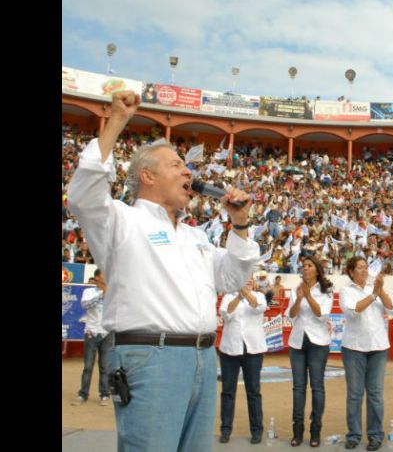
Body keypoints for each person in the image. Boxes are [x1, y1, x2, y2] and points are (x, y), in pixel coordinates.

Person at [67, 91, 259, 452]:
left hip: (203, 357)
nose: (188, 170)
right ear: (147, 177)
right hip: (151, 358)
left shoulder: (196, 235)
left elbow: (232, 279)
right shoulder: (121, 220)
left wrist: (240, 223)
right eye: (176, 165)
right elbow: (83, 195)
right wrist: (118, 120)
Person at [339, 257, 393, 451]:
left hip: (378, 346)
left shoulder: (374, 287)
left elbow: (391, 308)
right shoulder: (346, 290)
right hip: (354, 347)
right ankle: (353, 435)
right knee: (355, 395)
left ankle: (375, 435)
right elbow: (354, 311)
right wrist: (373, 294)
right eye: (360, 268)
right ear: (351, 271)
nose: (364, 271)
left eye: (365, 267)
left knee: (376, 394)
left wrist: (380, 290)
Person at [286, 256, 334, 447]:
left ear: (316, 270)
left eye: (309, 266)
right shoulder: (295, 290)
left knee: (317, 387)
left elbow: (321, 315)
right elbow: (290, 315)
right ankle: (297, 431)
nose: (305, 269)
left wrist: (308, 296)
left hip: (318, 343)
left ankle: (316, 431)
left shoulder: (326, 290)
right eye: (303, 266)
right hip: (297, 342)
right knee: (298, 388)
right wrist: (298, 298)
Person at [217, 275, 268, 444]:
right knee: (228, 391)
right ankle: (225, 429)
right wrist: (239, 296)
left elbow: (257, 307)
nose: (247, 282)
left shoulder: (259, 296)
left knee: (253, 390)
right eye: (243, 279)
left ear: (254, 283)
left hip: (253, 349)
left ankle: (256, 430)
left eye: (250, 279)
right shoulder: (228, 297)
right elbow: (226, 314)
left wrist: (246, 294)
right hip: (230, 349)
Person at [71, 269, 111, 407]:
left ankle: (104, 394)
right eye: (103, 276)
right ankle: (83, 394)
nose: (105, 278)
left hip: (107, 333)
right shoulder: (89, 292)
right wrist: (102, 295)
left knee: (105, 366)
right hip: (92, 332)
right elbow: (85, 305)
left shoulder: (113, 292)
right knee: (88, 366)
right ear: (97, 278)